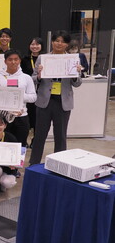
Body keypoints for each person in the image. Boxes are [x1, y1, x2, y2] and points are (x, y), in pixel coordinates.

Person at [29, 31, 83, 165]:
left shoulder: (72, 59)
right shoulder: (43, 58)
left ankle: (59, 165)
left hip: (63, 102)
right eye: (57, 40)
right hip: (45, 101)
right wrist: (39, 76)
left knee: (61, 136)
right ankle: (34, 163)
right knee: (40, 135)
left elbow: (77, 83)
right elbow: (33, 79)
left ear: (67, 44)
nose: (59, 44)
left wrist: (75, 74)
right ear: (52, 42)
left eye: (63, 41)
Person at [0, 49, 37, 148]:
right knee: (3, 146)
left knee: (20, 146)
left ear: (20, 60)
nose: (13, 62)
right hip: (3, 117)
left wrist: (17, 95)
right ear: (5, 61)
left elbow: (33, 97)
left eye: (16, 59)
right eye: (10, 59)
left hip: (21, 116)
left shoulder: (26, 77)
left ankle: (19, 159)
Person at [22, 37, 44, 146]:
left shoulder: (45, 59)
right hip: (28, 92)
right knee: (28, 117)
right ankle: (24, 140)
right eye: (32, 44)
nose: (35, 46)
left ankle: (35, 140)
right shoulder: (24, 59)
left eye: (37, 44)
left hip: (41, 91)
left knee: (38, 119)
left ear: (41, 46)